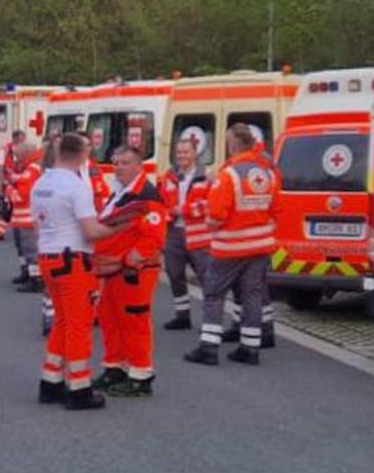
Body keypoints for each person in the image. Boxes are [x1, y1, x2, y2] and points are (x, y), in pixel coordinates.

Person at [32, 131, 124, 411]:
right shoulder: (75, 187)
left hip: (48, 257)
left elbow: (38, 226)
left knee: (61, 321)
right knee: (79, 324)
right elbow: (91, 230)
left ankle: (50, 382)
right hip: (73, 261)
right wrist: (120, 226)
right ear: (82, 156)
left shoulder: (40, 184)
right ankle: (79, 388)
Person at [185, 124, 280, 367]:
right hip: (260, 246)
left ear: (233, 145)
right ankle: (250, 348)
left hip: (230, 247)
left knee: (214, 294)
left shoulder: (228, 175)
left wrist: (209, 221)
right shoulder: (267, 174)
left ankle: (208, 347)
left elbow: (216, 213)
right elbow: (277, 209)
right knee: (252, 294)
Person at [94, 145, 169, 397]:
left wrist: (127, 260)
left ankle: (140, 374)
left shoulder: (146, 195)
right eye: (116, 163)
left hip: (133, 271)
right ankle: (115, 367)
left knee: (134, 322)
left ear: (139, 165)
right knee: (110, 319)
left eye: (125, 163)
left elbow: (153, 238)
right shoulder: (121, 192)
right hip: (114, 270)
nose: (118, 168)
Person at [159, 136, 212, 331]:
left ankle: (210, 319)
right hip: (174, 232)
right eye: (179, 152)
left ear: (195, 153)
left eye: (186, 152)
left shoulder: (207, 175)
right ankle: (182, 316)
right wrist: (168, 213)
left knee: (206, 276)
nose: (182, 156)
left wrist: (186, 210)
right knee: (174, 273)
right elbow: (162, 201)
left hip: (198, 234)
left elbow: (212, 204)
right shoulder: (170, 175)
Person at [6, 139, 43, 292]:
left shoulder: (32, 169)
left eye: (18, 155)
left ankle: (36, 280)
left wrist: (9, 190)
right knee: (23, 250)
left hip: (27, 219)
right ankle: (27, 273)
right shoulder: (29, 168)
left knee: (31, 251)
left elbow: (21, 196)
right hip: (22, 220)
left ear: (27, 154)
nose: (16, 159)